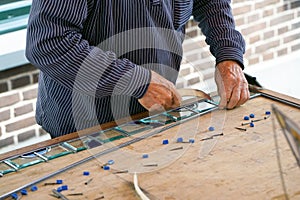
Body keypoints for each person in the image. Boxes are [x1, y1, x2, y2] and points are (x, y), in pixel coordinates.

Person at [26, 0, 249, 138]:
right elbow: (48, 43)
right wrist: (135, 81)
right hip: (84, 126)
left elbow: (210, 2)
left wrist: (228, 55)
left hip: (153, 118)